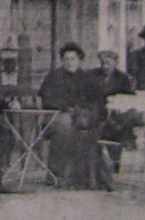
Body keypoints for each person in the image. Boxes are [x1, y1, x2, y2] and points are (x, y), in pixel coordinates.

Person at [40, 43, 108, 189]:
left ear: (79, 60)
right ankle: (57, 174)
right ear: (62, 61)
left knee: (88, 131)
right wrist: (65, 107)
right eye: (66, 59)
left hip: (82, 116)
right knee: (65, 128)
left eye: (73, 59)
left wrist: (87, 112)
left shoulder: (88, 79)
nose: (69, 62)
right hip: (57, 115)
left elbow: (97, 100)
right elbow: (47, 99)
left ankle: (83, 175)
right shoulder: (54, 77)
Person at [93, 49, 139, 172]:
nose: (105, 66)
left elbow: (130, 98)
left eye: (108, 63)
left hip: (115, 112)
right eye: (103, 63)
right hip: (97, 110)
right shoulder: (93, 75)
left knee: (116, 126)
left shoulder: (123, 78)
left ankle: (115, 160)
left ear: (115, 63)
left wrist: (119, 104)